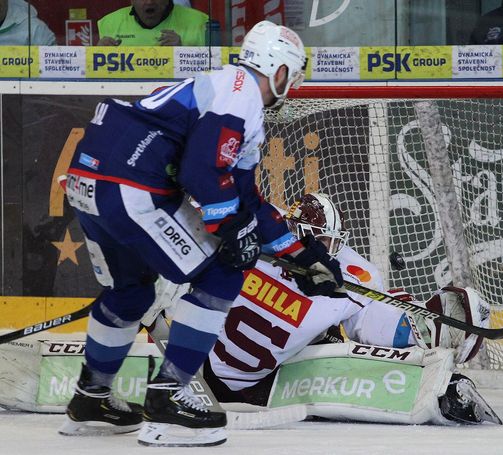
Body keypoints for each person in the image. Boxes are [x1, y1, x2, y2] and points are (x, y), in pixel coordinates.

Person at [58, 21, 342, 447]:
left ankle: (90, 398)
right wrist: (231, 230)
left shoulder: (228, 90)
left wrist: (303, 254)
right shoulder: (241, 93)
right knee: (224, 271)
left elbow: (246, 198)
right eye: (294, 74)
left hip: (88, 182)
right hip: (132, 188)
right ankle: (170, 396)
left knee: (131, 292)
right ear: (279, 70)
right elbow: (201, 172)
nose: (295, 85)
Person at [147, 193, 500, 425]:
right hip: (260, 383)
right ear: (301, 234)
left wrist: (427, 326)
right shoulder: (348, 273)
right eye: (322, 240)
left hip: (214, 369)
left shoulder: (261, 243)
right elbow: (377, 326)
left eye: (333, 241)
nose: (329, 249)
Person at [97, 0, 208, 46]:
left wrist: (181, 53)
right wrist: (96, 56)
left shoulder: (200, 22)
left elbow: (216, 73)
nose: (149, 2)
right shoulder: (109, 23)